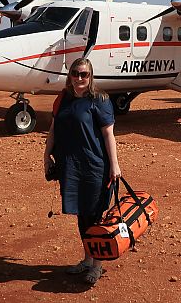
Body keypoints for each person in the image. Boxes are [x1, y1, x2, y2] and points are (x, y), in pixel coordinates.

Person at [44, 58, 121, 285]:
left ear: (91, 76)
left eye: (84, 74)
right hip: (70, 167)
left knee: (95, 215)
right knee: (80, 215)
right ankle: (87, 260)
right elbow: (53, 129)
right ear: (70, 75)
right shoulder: (63, 99)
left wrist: (115, 165)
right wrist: (46, 155)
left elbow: (109, 135)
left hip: (95, 167)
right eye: (76, 73)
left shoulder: (100, 100)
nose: (79, 78)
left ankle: (97, 265)